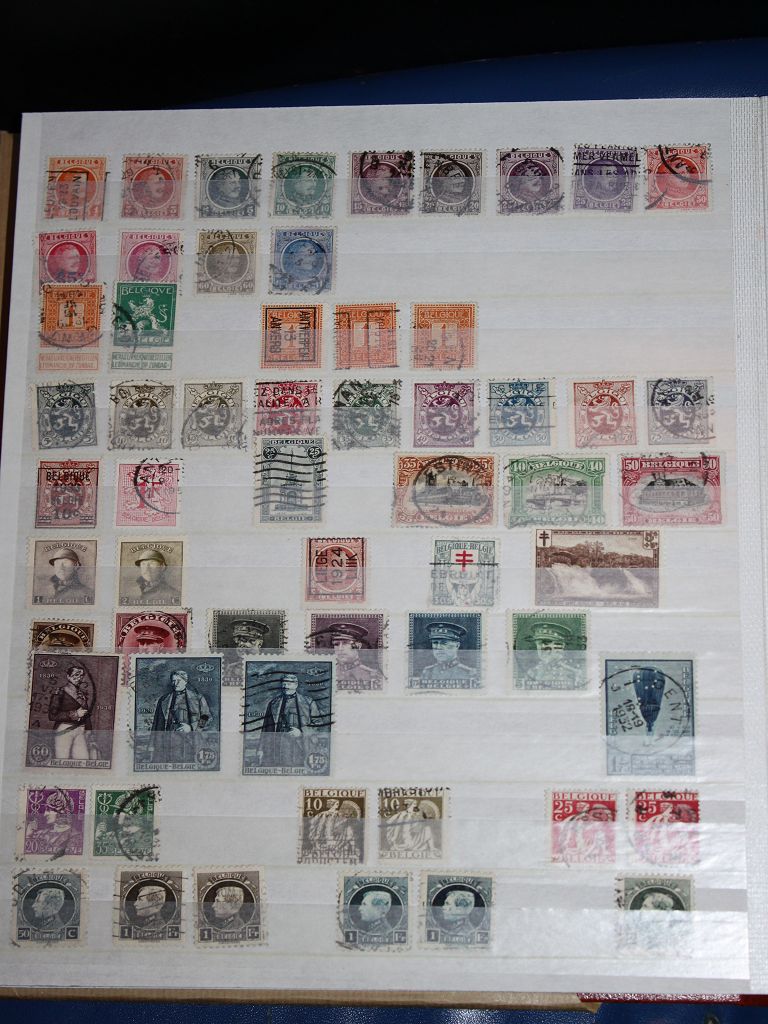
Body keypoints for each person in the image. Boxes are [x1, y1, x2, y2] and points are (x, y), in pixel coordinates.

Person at [259, 672, 321, 768]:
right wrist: (261, 749)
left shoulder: (308, 702)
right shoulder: (273, 703)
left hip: (301, 746)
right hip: (278, 747)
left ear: (296, 685)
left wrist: (301, 732)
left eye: (289, 684)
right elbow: (266, 729)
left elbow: (318, 723)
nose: (285, 686)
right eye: (284, 683)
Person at [149, 669, 212, 764]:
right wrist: (151, 746)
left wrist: (191, 727)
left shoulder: (198, 698)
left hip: (190, 742)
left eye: (179, 680)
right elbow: (156, 724)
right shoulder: (163, 699)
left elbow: (206, 718)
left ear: (185, 681)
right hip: (168, 743)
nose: (176, 683)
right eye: (173, 681)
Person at [516, 620, 583, 688]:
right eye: (539, 643)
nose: (542, 647)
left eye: (546, 643)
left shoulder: (574, 673)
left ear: (560, 646)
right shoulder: (532, 673)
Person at [315, 622, 383, 688]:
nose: (340, 649)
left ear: (358, 646)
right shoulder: (325, 674)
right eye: (336, 644)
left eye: (345, 643)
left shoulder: (373, 676)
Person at [49, 664, 93, 761]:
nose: (79, 678)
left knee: (83, 761)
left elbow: (86, 713)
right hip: (64, 730)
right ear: (68, 676)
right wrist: (75, 714)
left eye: (81, 675)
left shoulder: (81, 694)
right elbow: (52, 715)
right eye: (76, 675)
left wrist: (89, 729)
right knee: (62, 760)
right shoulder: (60, 692)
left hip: (81, 730)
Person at [25, 790, 75, 855]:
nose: (45, 814)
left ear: (62, 811)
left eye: (49, 810)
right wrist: (28, 835)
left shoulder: (75, 837)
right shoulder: (40, 834)